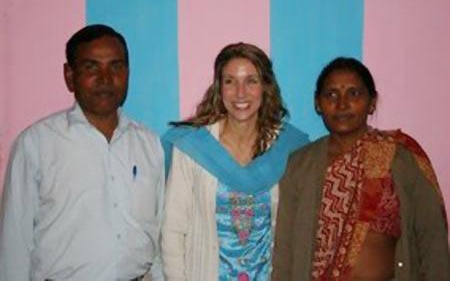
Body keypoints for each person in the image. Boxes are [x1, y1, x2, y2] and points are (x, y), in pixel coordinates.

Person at [0, 24, 165, 281]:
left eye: (115, 66)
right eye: (91, 67)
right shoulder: (36, 144)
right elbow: (14, 244)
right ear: (69, 75)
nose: (105, 78)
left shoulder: (149, 143)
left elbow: (158, 236)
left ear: (127, 73)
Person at [272, 57, 450, 280]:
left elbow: (432, 237)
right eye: (331, 94)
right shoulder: (300, 164)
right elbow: (285, 248)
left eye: (354, 93)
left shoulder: (401, 158)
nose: (342, 104)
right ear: (318, 103)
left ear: (372, 102)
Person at [161, 42, 309, 281]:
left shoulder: (289, 149)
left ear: (265, 87)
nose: (241, 93)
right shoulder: (193, 148)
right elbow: (172, 231)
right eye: (230, 81)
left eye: (251, 80)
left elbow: (295, 234)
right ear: (220, 88)